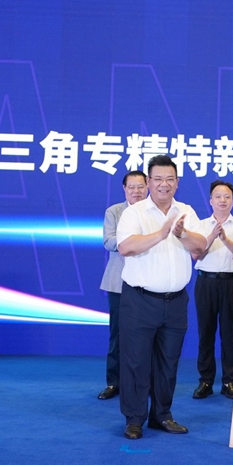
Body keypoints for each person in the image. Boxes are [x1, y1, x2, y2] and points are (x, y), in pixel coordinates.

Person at [116, 155, 207, 439]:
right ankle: (134, 419)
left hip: (176, 301)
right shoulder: (135, 212)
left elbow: (201, 246)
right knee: (136, 362)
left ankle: (162, 415)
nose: (163, 184)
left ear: (177, 183)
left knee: (168, 362)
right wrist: (162, 232)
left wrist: (181, 233)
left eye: (169, 179)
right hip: (139, 300)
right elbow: (126, 246)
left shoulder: (186, 211)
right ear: (148, 182)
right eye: (157, 179)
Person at [191, 180, 233, 400]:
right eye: (218, 196)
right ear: (211, 200)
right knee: (206, 332)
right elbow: (196, 254)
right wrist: (212, 236)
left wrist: (225, 239)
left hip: (231, 283)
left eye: (227, 197)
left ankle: (229, 381)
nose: (223, 200)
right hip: (206, 282)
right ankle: (205, 381)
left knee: (229, 334)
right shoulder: (201, 225)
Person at [97, 170, 147, 401]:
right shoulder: (114, 211)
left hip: (148, 283)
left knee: (146, 337)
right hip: (119, 282)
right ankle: (113, 383)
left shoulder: (154, 212)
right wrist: (136, 241)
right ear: (124, 189)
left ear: (148, 187)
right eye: (132, 187)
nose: (136, 191)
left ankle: (144, 383)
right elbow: (109, 242)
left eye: (140, 186)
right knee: (117, 335)